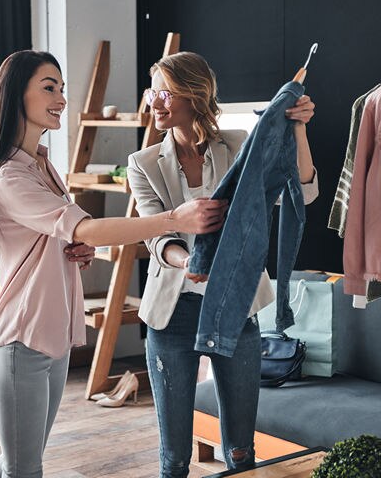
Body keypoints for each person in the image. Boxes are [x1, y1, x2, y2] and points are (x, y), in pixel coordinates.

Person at [0, 50, 228, 478]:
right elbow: (84, 227)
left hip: (49, 337)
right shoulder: (9, 176)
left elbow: (65, 235)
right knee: (24, 467)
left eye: (62, 88)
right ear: (17, 94)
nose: (61, 98)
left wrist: (76, 248)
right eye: (49, 87)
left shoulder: (43, 165)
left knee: (17, 459)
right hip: (20, 338)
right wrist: (173, 218)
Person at [126, 51, 319, 477]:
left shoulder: (238, 145)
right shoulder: (142, 164)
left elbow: (302, 192)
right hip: (171, 315)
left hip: (236, 309)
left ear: (193, 94)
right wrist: (189, 261)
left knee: (241, 451)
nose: (153, 103)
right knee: (174, 457)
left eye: (163, 92)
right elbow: (156, 235)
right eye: (151, 92)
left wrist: (298, 129)